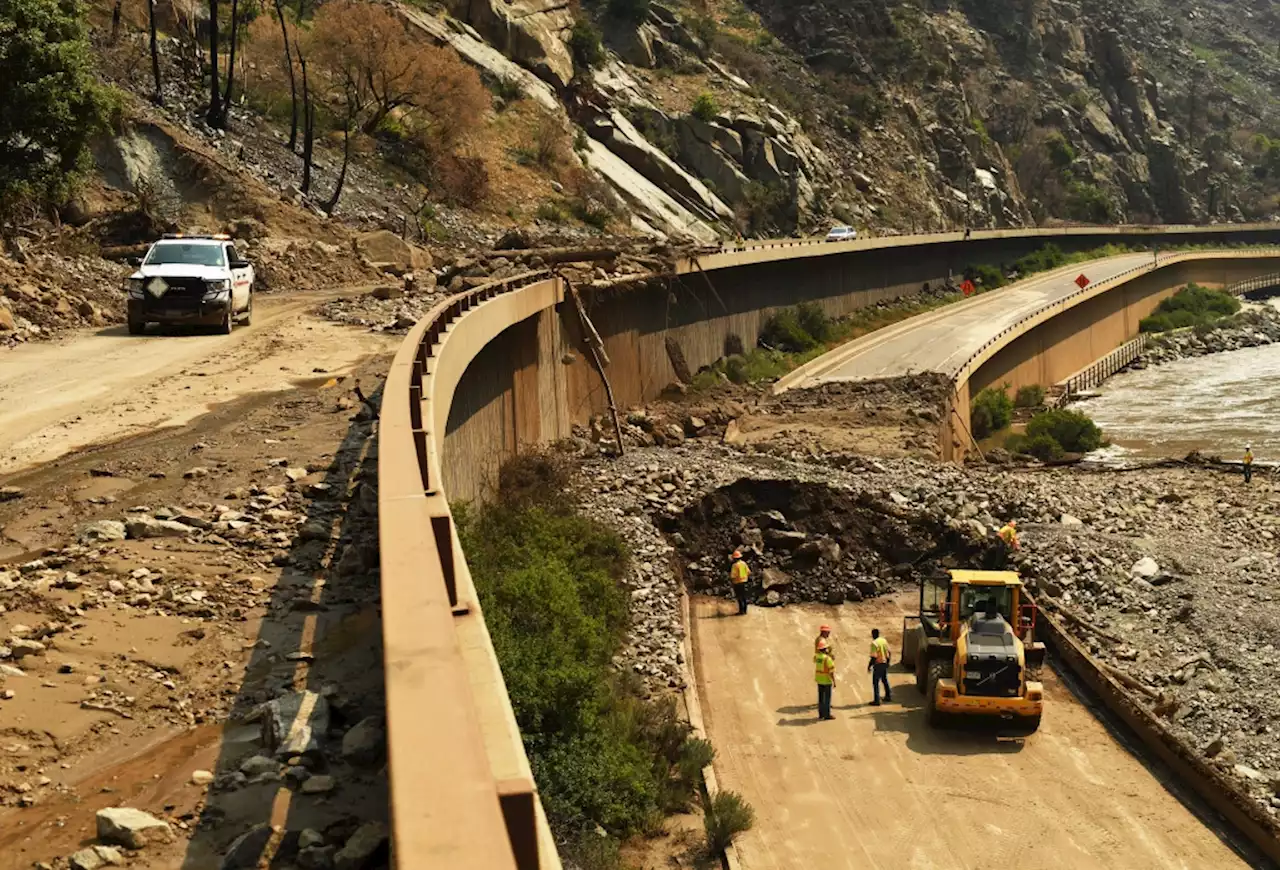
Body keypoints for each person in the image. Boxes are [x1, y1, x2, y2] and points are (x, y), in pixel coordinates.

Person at [868, 629, 892, 706]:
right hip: (884, 662)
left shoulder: (874, 643)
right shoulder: (883, 640)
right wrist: (888, 662)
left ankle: (877, 700)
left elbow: (874, 657)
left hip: (878, 664)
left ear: (873, 634)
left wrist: (869, 665)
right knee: (884, 680)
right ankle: (888, 696)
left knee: (876, 682)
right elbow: (889, 652)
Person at [815, 639, 836, 720]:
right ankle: (827, 715)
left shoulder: (816, 657)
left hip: (819, 680)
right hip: (826, 680)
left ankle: (821, 714)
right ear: (825, 649)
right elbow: (831, 671)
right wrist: (834, 681)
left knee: (820, 698)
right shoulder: (827, 659)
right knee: (827, 699)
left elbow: (815, 659)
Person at [729, 550, 750, 615]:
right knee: (744, 597)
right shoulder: (744, 563)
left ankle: (741, 611)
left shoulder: (735, 565)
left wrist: (731, 580)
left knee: (739, 597)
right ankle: (745, 610)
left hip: (737, 583)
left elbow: (733, 575)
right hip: (744, 582)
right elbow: (748, 572)